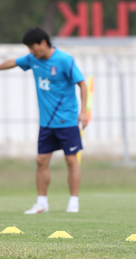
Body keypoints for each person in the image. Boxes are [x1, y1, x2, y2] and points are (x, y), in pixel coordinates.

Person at [0, 27, 88, 214]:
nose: (31, 52)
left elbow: (82, 83)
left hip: (67, 120)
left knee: (71, 160)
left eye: (33, 47)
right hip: (46, 123)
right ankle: (42, 203)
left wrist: (83, 112)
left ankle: (73, 202)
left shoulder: (64, 60)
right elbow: (12, 62)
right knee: (41, 160)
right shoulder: (33, 59)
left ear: (43, 43)